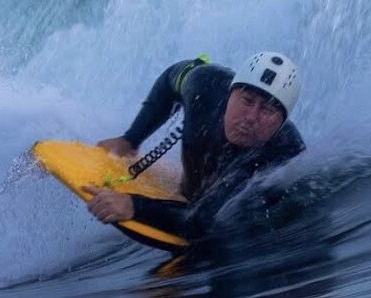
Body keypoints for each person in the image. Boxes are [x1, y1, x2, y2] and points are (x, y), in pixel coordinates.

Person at [82, 51, 306, 241]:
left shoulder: (284, 156)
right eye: (246, 101)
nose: (251, 117)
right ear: (230, 94)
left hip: (232, 236)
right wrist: (131, 139)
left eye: (267, 110)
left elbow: (205, 221)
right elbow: (170, 78)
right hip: (187, 197)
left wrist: (134, 206)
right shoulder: (206, 84)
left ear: (281, 122)